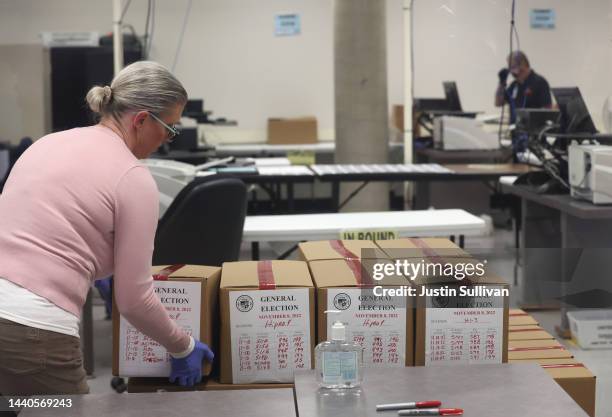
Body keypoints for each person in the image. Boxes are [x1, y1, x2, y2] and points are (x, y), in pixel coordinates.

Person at [0, 61, 213, 395]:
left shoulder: (47, 143)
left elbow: (43, 224)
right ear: (142, 120)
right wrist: (182, 346)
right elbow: (134, 300)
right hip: (32, 330)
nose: (168, 140)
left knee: (14, 409)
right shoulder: (133, 177)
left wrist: (100, 265)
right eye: (170, 128)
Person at [494, 50, 552, 123]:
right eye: (509, 67)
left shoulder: (539, 82)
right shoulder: (514, 85)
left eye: (512, 67)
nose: (510, 71)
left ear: (522, 64)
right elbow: (498, 103)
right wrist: (501, 83)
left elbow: (547, 109)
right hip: (515, 131)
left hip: (533, 131)